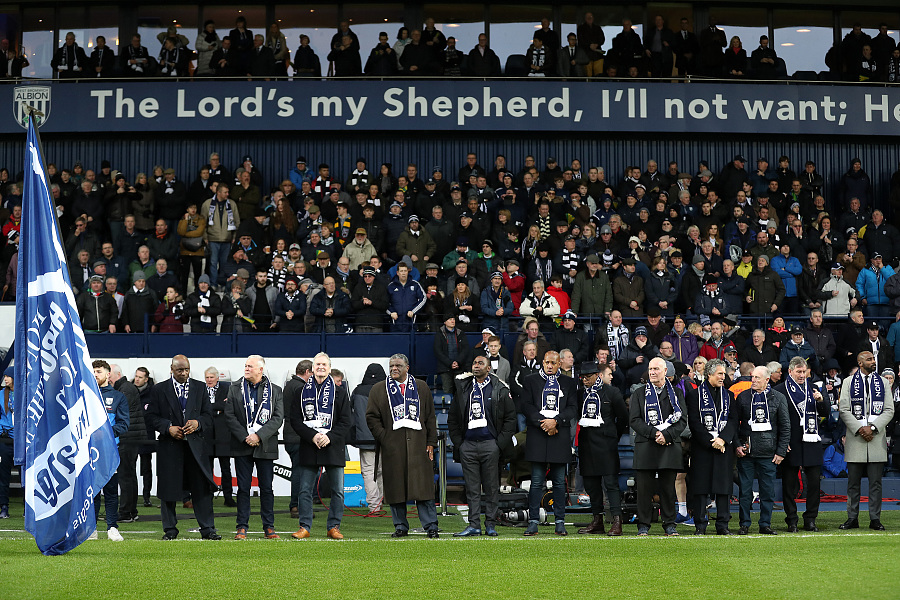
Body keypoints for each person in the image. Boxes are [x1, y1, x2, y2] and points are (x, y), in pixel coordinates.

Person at [144, 355, 221, 540]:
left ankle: (208, 529)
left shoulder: (200, 387)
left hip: (195, 448)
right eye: (180, 370)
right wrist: (167, 428)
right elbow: (150, 417)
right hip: (169, 447)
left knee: (201, 489)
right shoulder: (159, 389)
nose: (184, 373)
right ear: (171, 368)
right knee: (168, 489)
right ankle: (170, 530)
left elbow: (209, 416)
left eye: (187, 369)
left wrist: (198, 423)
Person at [366, 354, 439, 538]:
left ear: (408, 367)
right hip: (393, 447)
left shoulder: (421, 387)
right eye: (391, 366)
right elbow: (371, 417)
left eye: (398, 365)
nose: (394, 369)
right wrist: (385, 437)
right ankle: (400, 526)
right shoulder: (379, 389)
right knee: (395, 488)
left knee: (423, 489)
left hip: (419, 446)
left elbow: (430, 417)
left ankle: (431, 526)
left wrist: (431, 442)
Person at [448, 355, 516, 536]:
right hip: (468, 445)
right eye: (474, 363)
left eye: (480, 363)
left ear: (489, 369)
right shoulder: (463, 388)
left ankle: (491, 525)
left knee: (491, 487)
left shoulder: (500, 389)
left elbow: (511, 419)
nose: (476, 366)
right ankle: (474, 525)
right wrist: (459, 443)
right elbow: (453, 418)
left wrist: (498, 444)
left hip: (490, 445)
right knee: (471, 489)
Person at [289, 353, 351, 540]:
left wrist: (329, 437)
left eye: (324, 364)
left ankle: (333, 526)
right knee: (304, 489)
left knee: (337, 491)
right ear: (312, 368)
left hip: (333, 446)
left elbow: (347, 421)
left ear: (329, 368)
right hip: (310, 445)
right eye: (318, 364)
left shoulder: (340, 392)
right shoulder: (300, 392)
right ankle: (304, 526)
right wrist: (313, 436)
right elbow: (294, 420)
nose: (321, 367)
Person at [223, 355, 284, 540]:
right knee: (243, 488)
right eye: (245, 365)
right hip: (242, 445)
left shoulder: (275, 390)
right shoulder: (234, 388)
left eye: (250, 366)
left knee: (267, 488)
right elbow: (229, 415)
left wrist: (259, 436)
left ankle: (269, 527)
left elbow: (278, 418)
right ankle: (242, 527)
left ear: (260, 370)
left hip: (265, 445)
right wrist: (245, 437)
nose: (246, 368)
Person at [521, 351, 578, 536]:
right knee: (536, 482)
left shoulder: (569, 383)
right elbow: (526, 406)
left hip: (559, 434)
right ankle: (533, 521)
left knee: (560, 482)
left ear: (559, 363)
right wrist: (544, 422)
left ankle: (560, 521)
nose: (550, 366)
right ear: (542, 362)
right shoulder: (530, 380)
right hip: (538, 434)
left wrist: (557, 422)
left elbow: (572, 408)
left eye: (553, 363)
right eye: (547, 362)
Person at [630, 357, 687, 536]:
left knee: (668, 489)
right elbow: (634, 420)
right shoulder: (639, 394)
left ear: (665, 372)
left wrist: (667, 435)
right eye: (650, 369)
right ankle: (643, 525)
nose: (652, 372)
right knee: (644, 489)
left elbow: (683, 420)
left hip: (669, 446)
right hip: (646, 445)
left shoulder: (676, 394)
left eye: (656, 369)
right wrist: (654, 434)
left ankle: (669, 524)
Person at [839, 351, 895, 531]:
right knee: (853, 483)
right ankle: (852, 517)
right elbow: (843, 409)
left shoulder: (884, 383)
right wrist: (859, 429)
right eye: (869, 359)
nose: (873, 361)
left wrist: (871, 428)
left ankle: (875, 519)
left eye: (874, 359)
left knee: (876, 483)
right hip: (856, 438)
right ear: (860, 362)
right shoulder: (848, 382)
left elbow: (889, 410)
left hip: (876, 437)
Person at [734, 365, 791, 535]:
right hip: (746, 453)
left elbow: (785, 427)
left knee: (767, 492)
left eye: (757, 378)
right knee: (744, 491)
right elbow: (734, 424)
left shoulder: (779, 398)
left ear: (767, 380)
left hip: (769, 453)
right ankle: (744, 524)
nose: (753, 380)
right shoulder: (743, 397)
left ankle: (765, 524)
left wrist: (781, 452)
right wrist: (737, 444)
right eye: (752, 377)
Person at [774, 356, 828, 532]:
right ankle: (791, 519)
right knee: (789, 484)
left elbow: (826, 412)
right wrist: (781, 442)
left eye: (804, 371)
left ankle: (810, 519)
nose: (802, 375)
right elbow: (775, 420)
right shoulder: (780, 390)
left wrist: (821, 400)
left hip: (812, 440)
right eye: (798, 372)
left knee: (814, 484)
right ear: (790, 372)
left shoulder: (815, 388)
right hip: (791, 442)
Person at [686, 359, 737, 535]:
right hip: (703, 448)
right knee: (701, 487)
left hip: (723, 447)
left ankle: (723, 525)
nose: (723, 377)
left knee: (723, 487)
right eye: (720, 374)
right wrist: (711, 441)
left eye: (724, 374)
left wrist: (723, 439)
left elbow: (732, 420)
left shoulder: (729, 396)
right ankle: (700, 524)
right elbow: (694, 422)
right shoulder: (694, 395)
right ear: (709, 374)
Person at [576, 363, 628, 535]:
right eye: (582, 377)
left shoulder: (612, 392)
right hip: (586, 443)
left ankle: (616, 520)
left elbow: (622, 418)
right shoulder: (580, 394)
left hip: (606, 443)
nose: (585, 379)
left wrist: (613, 436)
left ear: (597, 375)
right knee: (591, 484)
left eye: (588, 376)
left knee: (610, 483)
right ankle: (597, 520)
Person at [86, 361, 129, 542]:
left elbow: (124, 424)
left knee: (111, 491)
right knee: (93, 491)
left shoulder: (118, 397)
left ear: (108, 374)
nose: (95, 374)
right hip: (88, 452)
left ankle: (112, 527)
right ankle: (91, 529)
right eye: (93, 371)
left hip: (110, 451)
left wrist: (105, 433)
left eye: (99, 371)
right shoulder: (85, 394)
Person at [108, 364, 145, 523]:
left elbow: (118, 411)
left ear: (116, 374)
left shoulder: (125, 390)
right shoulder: (126, 387)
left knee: (125, 476)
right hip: (131, 437)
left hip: (128, 438)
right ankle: (130, 511)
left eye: (109, 374)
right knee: (129, 475)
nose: (107, 378)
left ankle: (125, 512)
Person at [350, 363, 386, 514]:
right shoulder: (386, 389)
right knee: (383, 471)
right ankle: (382, 500)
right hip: (384, 438)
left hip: (364, 440)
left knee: (368, 472)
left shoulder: (358, 391)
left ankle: (374, 506)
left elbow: (351, 415)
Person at [204, 367, 235, 507]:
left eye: (211, 377)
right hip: (207, 434)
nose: (209, 380)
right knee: (207, 468)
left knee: (225, 468)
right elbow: (201, 407)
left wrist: (212, 407)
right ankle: (207, 496)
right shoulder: (201, 390)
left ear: (217, 378)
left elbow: (228, 405)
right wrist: (217, 407)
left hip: (223, 434)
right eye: (207, 377)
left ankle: (228, 497)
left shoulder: (227, 388)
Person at [0, 367, 13, 520]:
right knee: (4, 475)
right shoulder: (1, 394)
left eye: (9, 376)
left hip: (23, 441)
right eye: (5, 376)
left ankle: (27, 507)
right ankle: (4, 506)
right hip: (4, 439)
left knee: (26, 476)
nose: (6, 379)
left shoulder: (26, 393)